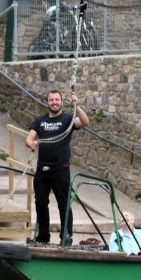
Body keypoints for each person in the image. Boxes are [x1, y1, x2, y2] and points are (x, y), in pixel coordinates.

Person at [25, 89, 90, 244]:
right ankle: (43, 237)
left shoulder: (68, 118)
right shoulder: (40, 120)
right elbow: (29, 138)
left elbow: (85, 122)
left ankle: (65, 236)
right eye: (51, 100)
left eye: (57, 100)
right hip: (42, 169)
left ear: (61, 102)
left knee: (64, 203)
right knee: (40, 202)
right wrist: (31, 143)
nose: (54, 102)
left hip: (61, 169)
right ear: (47, 102)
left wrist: (77, 104)